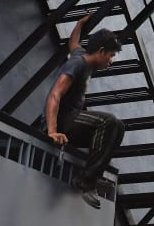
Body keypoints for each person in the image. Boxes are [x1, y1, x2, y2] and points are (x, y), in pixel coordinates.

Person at [42, 15, 124, 209]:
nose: (111, 61)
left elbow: (73, 43)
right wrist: (52, 131)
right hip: (62, 122)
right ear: (101, 51)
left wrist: (79, 24)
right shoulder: (77, 64)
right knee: (109, 122)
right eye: (111, 56)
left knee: (118, 127)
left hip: (72, 122)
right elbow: (55, 95)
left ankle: (93, 175)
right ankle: (86, 182)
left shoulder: (81, 55)